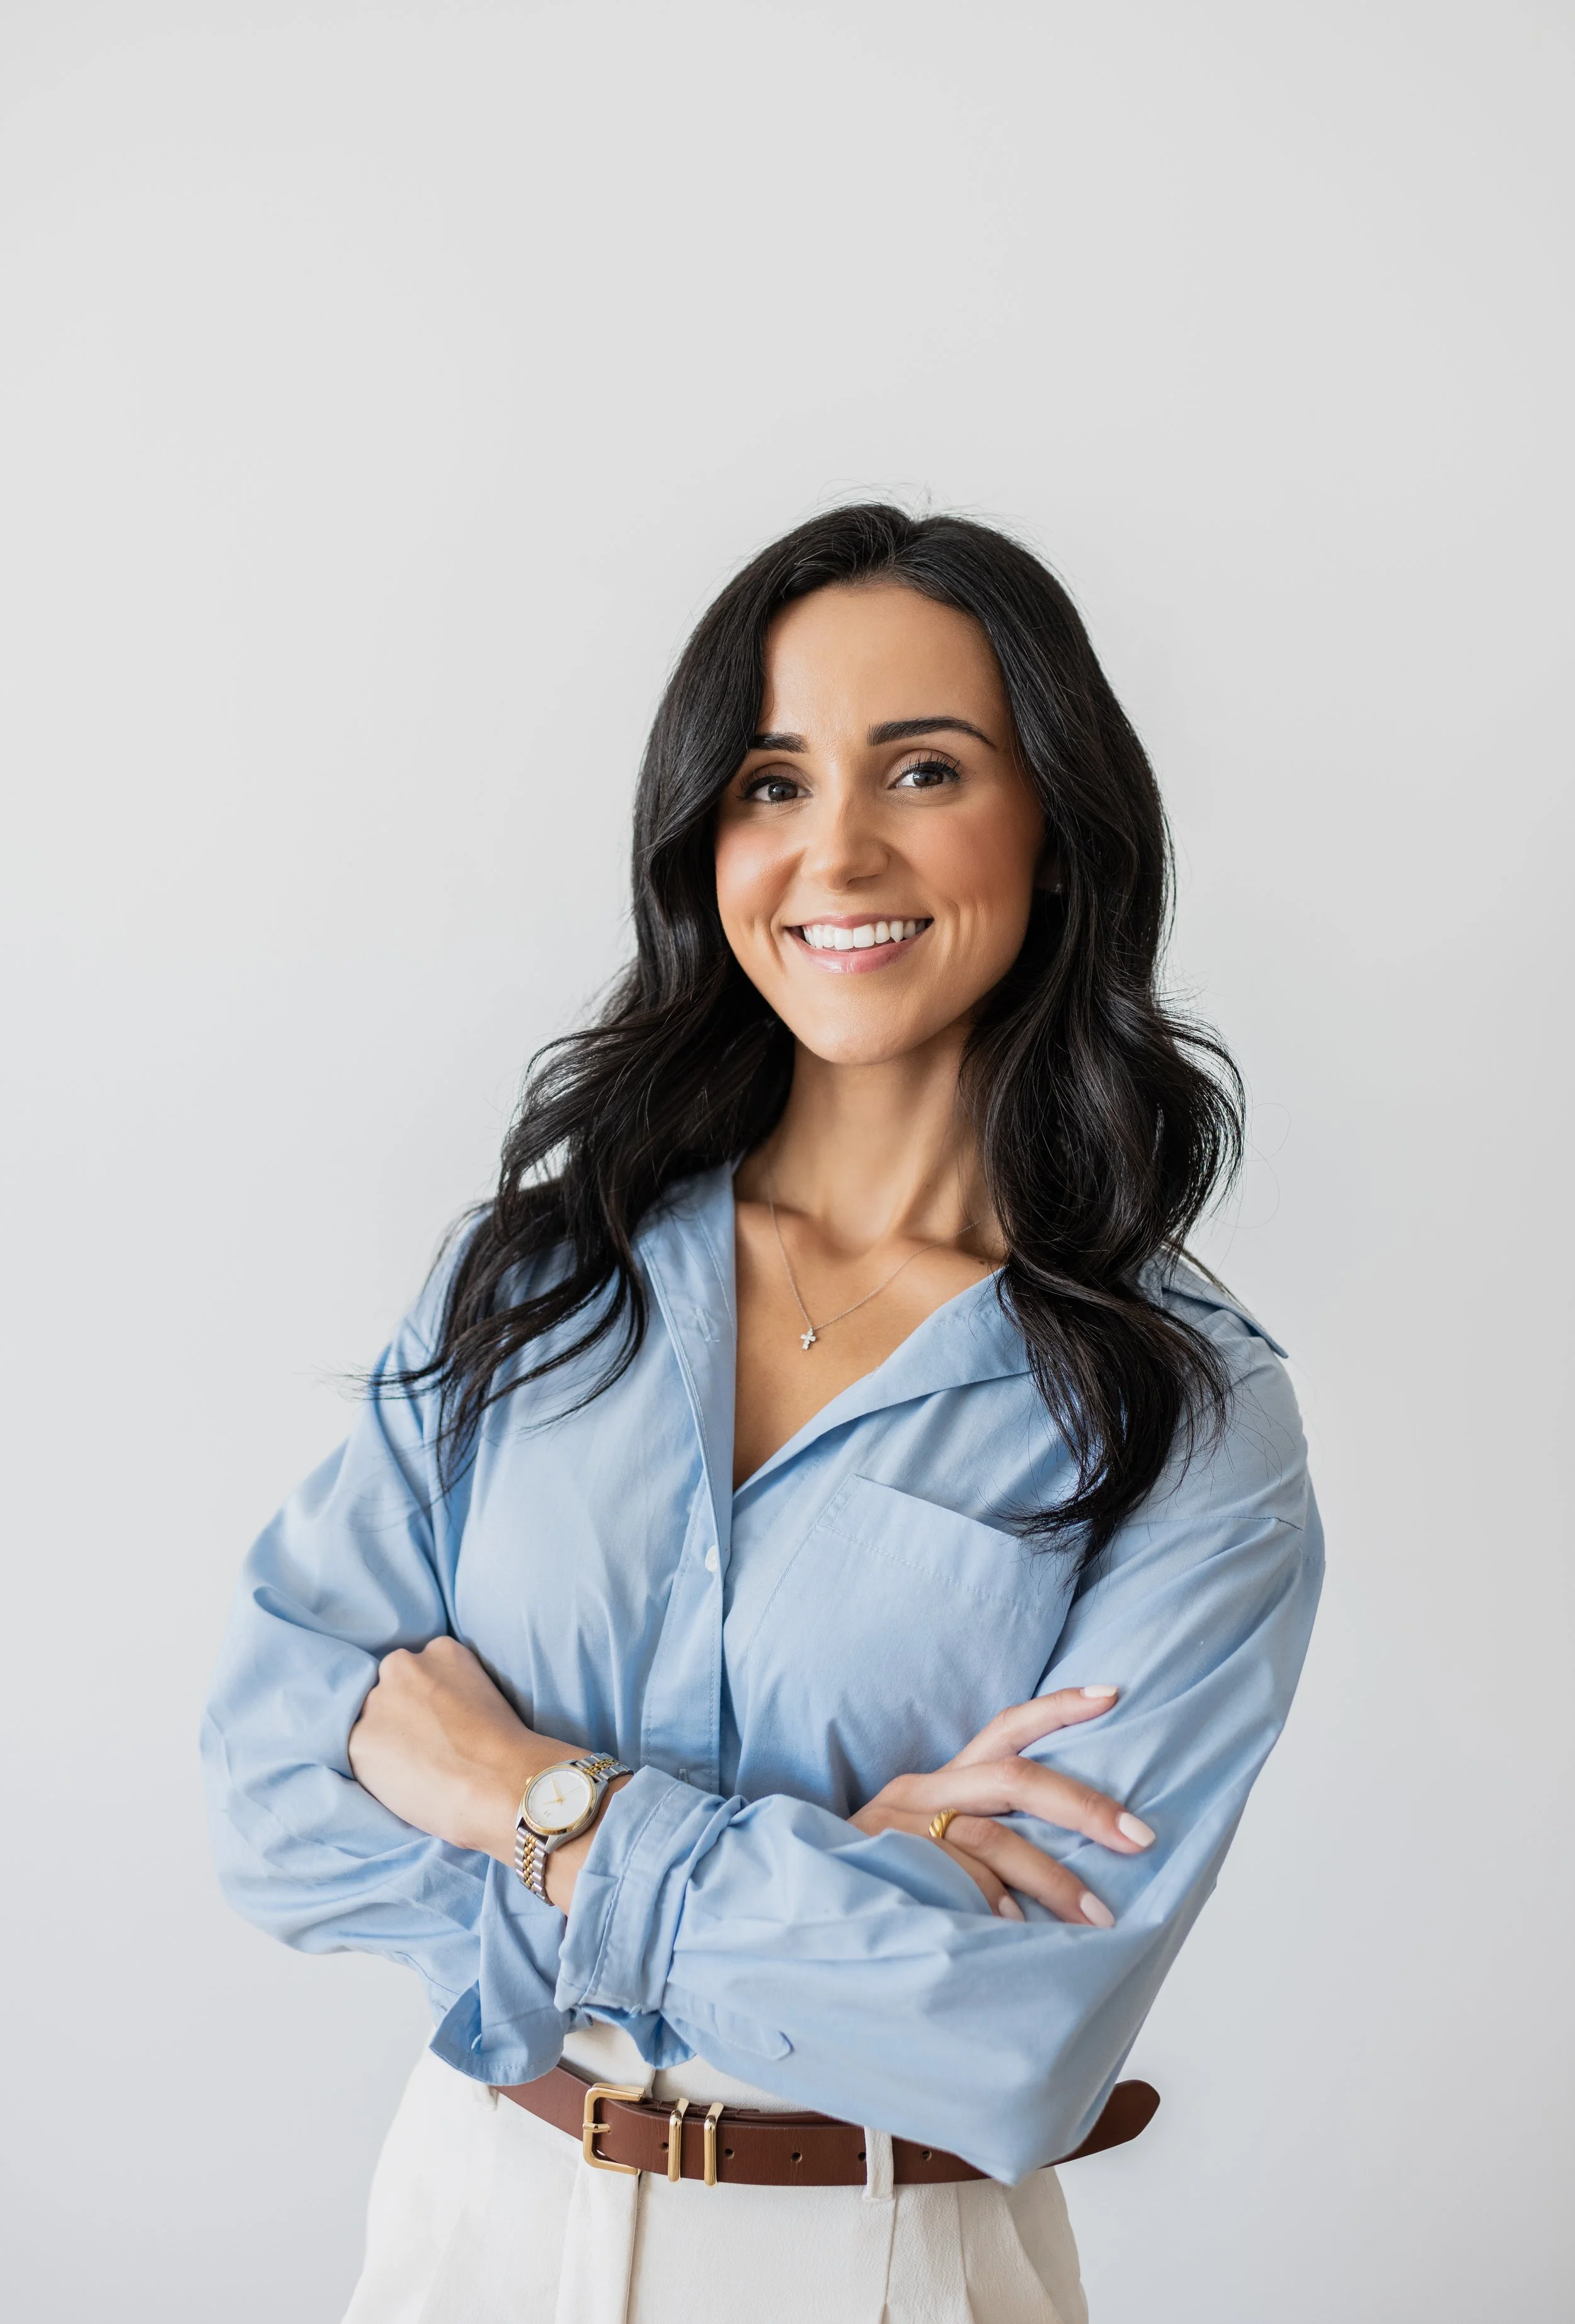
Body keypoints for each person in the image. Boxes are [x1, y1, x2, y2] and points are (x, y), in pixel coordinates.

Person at [202, 505, 1321, 2324]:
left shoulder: (1184, 1412)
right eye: (770, 782)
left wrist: (523, 1800)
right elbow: (270, 1787)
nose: (837, 851)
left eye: (925, 768)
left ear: (1055, 823)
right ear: (701, 839)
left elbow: (1009, 2037)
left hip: (874, 2263)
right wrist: (826, 1889)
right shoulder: (537, 1280)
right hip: (474, 2227)